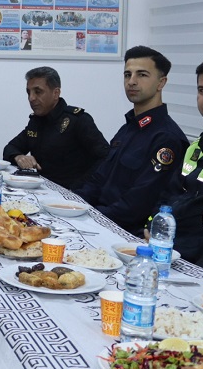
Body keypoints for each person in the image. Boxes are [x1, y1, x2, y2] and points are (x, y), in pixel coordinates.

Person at [76, 46, 187, 234]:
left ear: (161, 83)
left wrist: (88, 217)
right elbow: (98, 179)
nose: (132, 82)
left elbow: (138, 204)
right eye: (127, 75)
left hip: (125, 231)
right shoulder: (128, 128)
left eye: (142, 75)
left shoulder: (166, 138)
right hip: (99, 219)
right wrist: (71, 205)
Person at [158, 55, 203, 275]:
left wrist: (200, 274)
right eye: (202, 90)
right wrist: (155, 231)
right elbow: (168, 198)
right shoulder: (197, 146)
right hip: (173, 253)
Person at [3, 66, 109, 190]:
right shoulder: (36, 122)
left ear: (56, 93)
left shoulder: (78, 120)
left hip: (72, 194)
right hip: (41, 190)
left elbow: (105, 159)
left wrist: (82, 187)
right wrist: (19, 157)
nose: (31, 98)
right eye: (28, 92)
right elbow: (10, 148)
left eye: (38, 91)